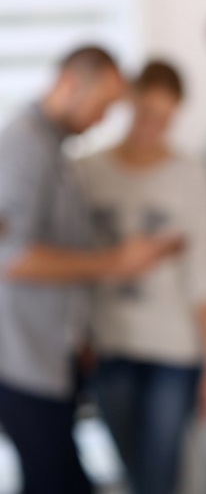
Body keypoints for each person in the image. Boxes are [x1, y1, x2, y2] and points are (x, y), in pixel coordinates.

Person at [0, 46, 179, 494]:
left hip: (49, 355)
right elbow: (12, 256)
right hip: (23, 361)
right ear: (68, 85)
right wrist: (115, 262)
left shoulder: (52, 147)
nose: (102, 120)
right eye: (101, 106)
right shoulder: (22, 146)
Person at [74, 60, 206, 494]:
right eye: (144, 113)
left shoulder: (189, 173)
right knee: (130, 472)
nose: (151, 126)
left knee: (160, 476)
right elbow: (75, 267)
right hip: (109, 346)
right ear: (127, 103)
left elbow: (205, 275)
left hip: (174, 352)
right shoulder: (86, 171)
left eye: (163, 119)